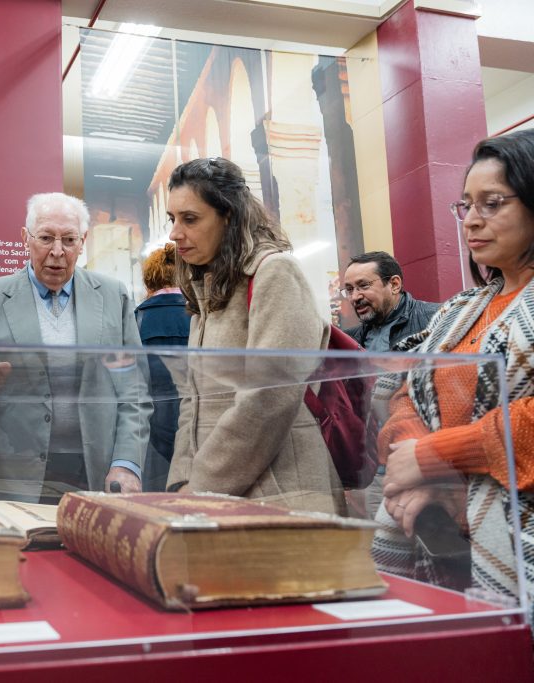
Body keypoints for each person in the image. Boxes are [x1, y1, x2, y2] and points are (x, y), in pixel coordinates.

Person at [375, 129, 534, 615]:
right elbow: (405, 394)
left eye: (492, 203)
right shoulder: (459, 311)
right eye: (465, 205)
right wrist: (424, 473)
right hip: (442, 534)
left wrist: (432, 458)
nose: (471, 221)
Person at [164, 157, 342, 514]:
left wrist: (202, 486)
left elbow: (269, 400)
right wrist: (182, 478)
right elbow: (192, 398)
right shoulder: (207, 284)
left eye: (190, 219)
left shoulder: (274, 273)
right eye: (172, 219)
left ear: (228, 216)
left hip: (280, 494)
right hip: (216, 495)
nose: (175, 233)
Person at [0, 192, 150, 502]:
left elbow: (134, 392)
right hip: (13, 474)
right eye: (46, 238)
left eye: (69, 240)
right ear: (25, 237)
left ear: (83, 241)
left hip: (96, 469)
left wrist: (126, 464)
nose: (57, 252)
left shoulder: (114, 297)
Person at [135, 243, 191, 491]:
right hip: (196, 434)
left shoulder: (134, 320)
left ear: (149, 281)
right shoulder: (201, 317)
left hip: (150, 437)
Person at [340, 251, 440, 351]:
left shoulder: (438, 319)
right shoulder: (347, 340)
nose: (354, 297)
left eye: (364, 285)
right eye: (349, 289)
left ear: (394, 285)